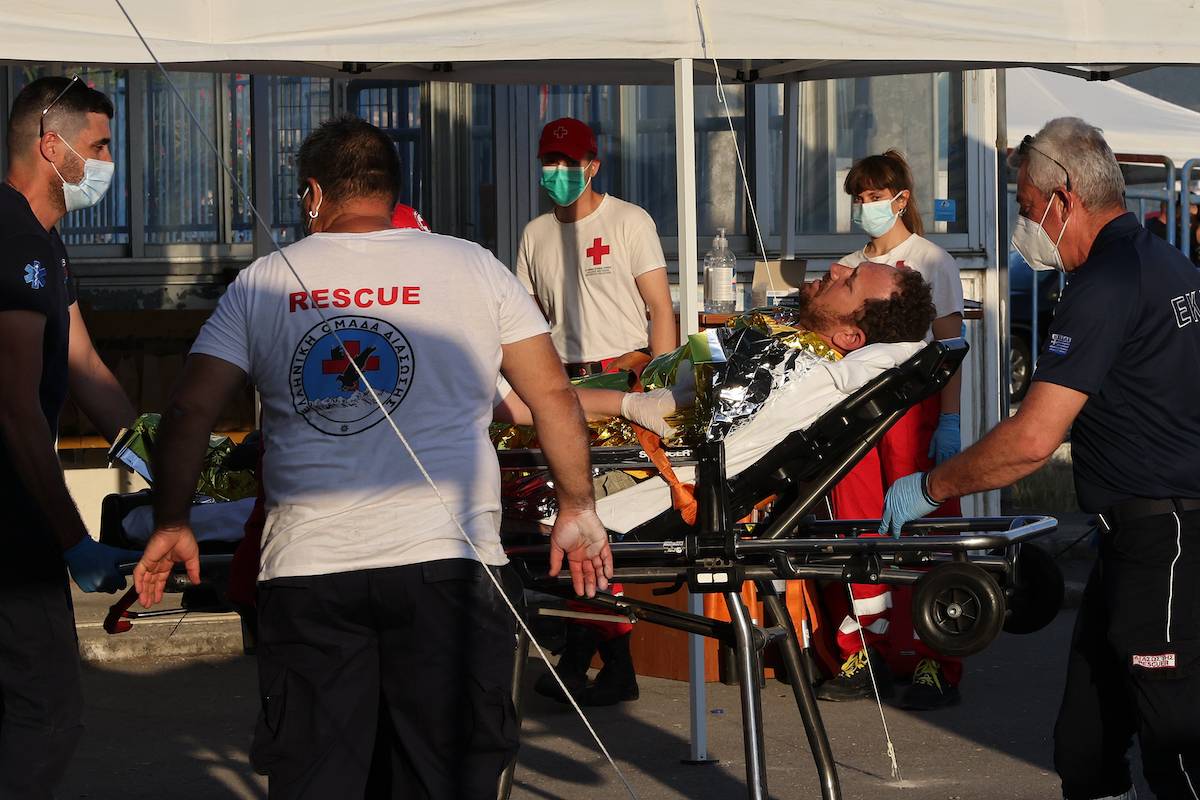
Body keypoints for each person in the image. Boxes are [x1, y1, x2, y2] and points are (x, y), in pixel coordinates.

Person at [132, 115, 612, 798]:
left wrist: (173, 520)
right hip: (449, 565)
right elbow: (556, 398)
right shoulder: (472, 264)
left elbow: (188, 412)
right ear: (392, 190)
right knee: (445, 776)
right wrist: (578, 506)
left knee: (318, 777)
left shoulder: (265, 281)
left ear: (312, 194)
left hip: (309, 572)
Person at [881, 117, 1200, 800]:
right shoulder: (1165, 260)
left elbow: (1031, 441)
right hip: (1129, 538)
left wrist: (931, 486)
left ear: (1064, 199)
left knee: (1176, 747)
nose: (1025, 227)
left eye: (1026, 209)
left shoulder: (1106, 283)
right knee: (1085, 747)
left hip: (1164, 541)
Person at [0, 75, 139, 798]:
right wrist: (70, 537)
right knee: (46, 713)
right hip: (10, 519)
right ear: (52, 147)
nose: (109, 162)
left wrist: (150, 449)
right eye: (101, 146)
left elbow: (83, 363)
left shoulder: (47, 244)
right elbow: (16, 407)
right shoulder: (12, 236)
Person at [818, 150, 967, 711]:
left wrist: (948, 421)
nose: (865, 207)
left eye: (874, 196)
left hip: (913, 412)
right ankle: (865, 651)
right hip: (858, 412)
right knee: (860, 530)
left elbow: (951, 349)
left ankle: (938, 659)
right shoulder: (850, 265)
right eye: (858, 197)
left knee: (927, 533)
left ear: (901, 199)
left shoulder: (932, 260)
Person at [516, 116, 676, 377]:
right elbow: (528, 323)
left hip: (626, 373)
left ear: (593, 167)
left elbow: (660, 307)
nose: (559, 170)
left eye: (570, 162)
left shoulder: (630, 220)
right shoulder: (534, 234)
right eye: (550, 161)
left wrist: (662, 382)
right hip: (563, 378)